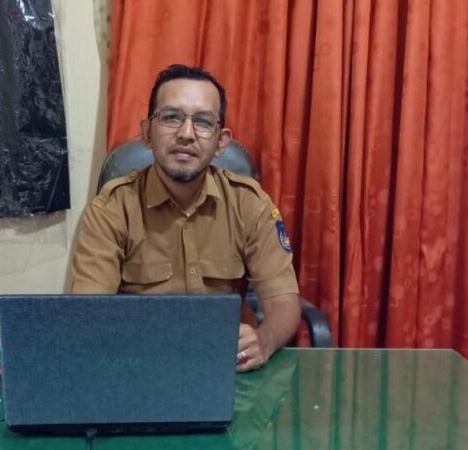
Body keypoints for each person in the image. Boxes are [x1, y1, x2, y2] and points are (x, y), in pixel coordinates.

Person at [70, 64, 301, 372]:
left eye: (203, 122)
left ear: (221, 142)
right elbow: (88, 315)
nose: (186, 134)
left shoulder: (249, 204)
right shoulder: (111, 209)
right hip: (139, 365)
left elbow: (283, 303)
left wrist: (265, 340)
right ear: (147, 133)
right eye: (171, 117)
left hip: (228, 367)